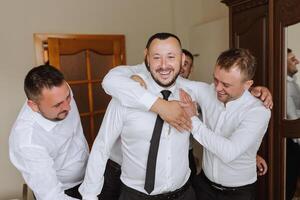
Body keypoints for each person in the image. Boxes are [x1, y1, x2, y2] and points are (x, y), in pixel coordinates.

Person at [79, 33, 197, 200]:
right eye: (156, 57)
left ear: (182, 59)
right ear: (147, 58)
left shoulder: (189, 96)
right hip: (136, 196)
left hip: (184, 194)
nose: (164, 65)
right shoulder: (125, 97)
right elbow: (101, 146)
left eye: (171, 57)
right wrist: (89, 195)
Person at [9, 64, 122, 200]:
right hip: (64, 191)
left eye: (68, 97)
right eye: (57, 105)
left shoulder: (61, 92)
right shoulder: (27, 142)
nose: (68, 107)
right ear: (34, 106)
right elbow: (52, 197)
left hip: (91, 174)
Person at [179, 48, 271, 200]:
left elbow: (229, 152)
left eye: (226, 85)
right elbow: (173, 80)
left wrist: (192, 119)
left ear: (247, 84)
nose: (218, 88)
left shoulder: (258, 111)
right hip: (204, 185)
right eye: (215, 79)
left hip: (238, 194)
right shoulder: (208, 91)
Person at [286, 48, 300, 200]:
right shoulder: (285, 85)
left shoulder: (292, 83)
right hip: (292, 141)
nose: (297, 61)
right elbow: (291, 116)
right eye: (292, 59)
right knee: (289, 183)